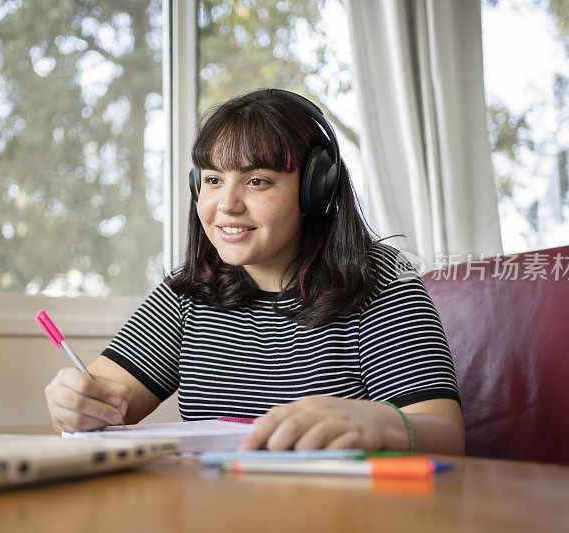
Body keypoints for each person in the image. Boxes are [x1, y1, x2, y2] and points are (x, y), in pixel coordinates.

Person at [44, 89, 465, 454]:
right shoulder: (188, 293)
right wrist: (76, 404)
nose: (226, 204)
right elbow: (104, 401)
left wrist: (382, 424)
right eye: (212, 180)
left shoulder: (381, 279)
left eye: (257, 181)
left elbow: (445, 434)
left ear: (314, 190)